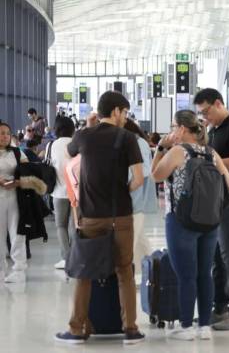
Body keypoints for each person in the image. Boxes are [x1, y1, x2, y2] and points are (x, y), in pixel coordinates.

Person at [55, 91, 145, 344]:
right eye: (125, 113)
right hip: (121, 218)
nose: (126, 118)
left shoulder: (83, 136)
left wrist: (88, 126)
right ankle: (130, 329)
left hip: (91, 218)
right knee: (125, 272)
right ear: (115, 111)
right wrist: (120, 191)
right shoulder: (127, 138)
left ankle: (76, 329)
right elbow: (138, 179)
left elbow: (69, 158)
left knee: (85, 273)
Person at [151, 110, 229, 340]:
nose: (171, 131)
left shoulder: (178, 152)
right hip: (210, 221)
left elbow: (156, 175)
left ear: (183, 129)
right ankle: (204, 326)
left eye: (173, 126)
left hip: (181, 220)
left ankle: (186, 326)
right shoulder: (211, 153)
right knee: (204, 273)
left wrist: (160, 148)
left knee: (185, 275)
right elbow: (228, 180)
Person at [194, 88, 229, 330]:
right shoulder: (215, 130)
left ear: (218, 103)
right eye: (201, 115)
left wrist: (206, 158)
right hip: (215, 200)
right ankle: (220, 307)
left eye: (207, 112)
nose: (205, 118)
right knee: (217, 258)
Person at [123, 119, 157, 279]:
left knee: (131, 239)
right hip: (132, 198)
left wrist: (125, 186)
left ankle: (131, 276)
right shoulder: (132, 142)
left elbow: (143, 171)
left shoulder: (139, 143)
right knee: (139, 238)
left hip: (135, 198)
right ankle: (154, 271)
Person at [46, 116, 76, 270]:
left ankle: (65, 258)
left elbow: (48, 164)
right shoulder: (75, 143)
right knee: (73, 225)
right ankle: (75, 258)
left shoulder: (51, 145)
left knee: (60, 226)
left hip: (58, 192)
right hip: (76, 192)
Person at [0, 122, 28, 283]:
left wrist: (17, 182)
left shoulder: (17, 153)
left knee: (17, 233)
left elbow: (28, 171)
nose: (4, 136)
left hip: (16, 198)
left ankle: (19, 269)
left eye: (7, 133)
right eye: (1, 133)